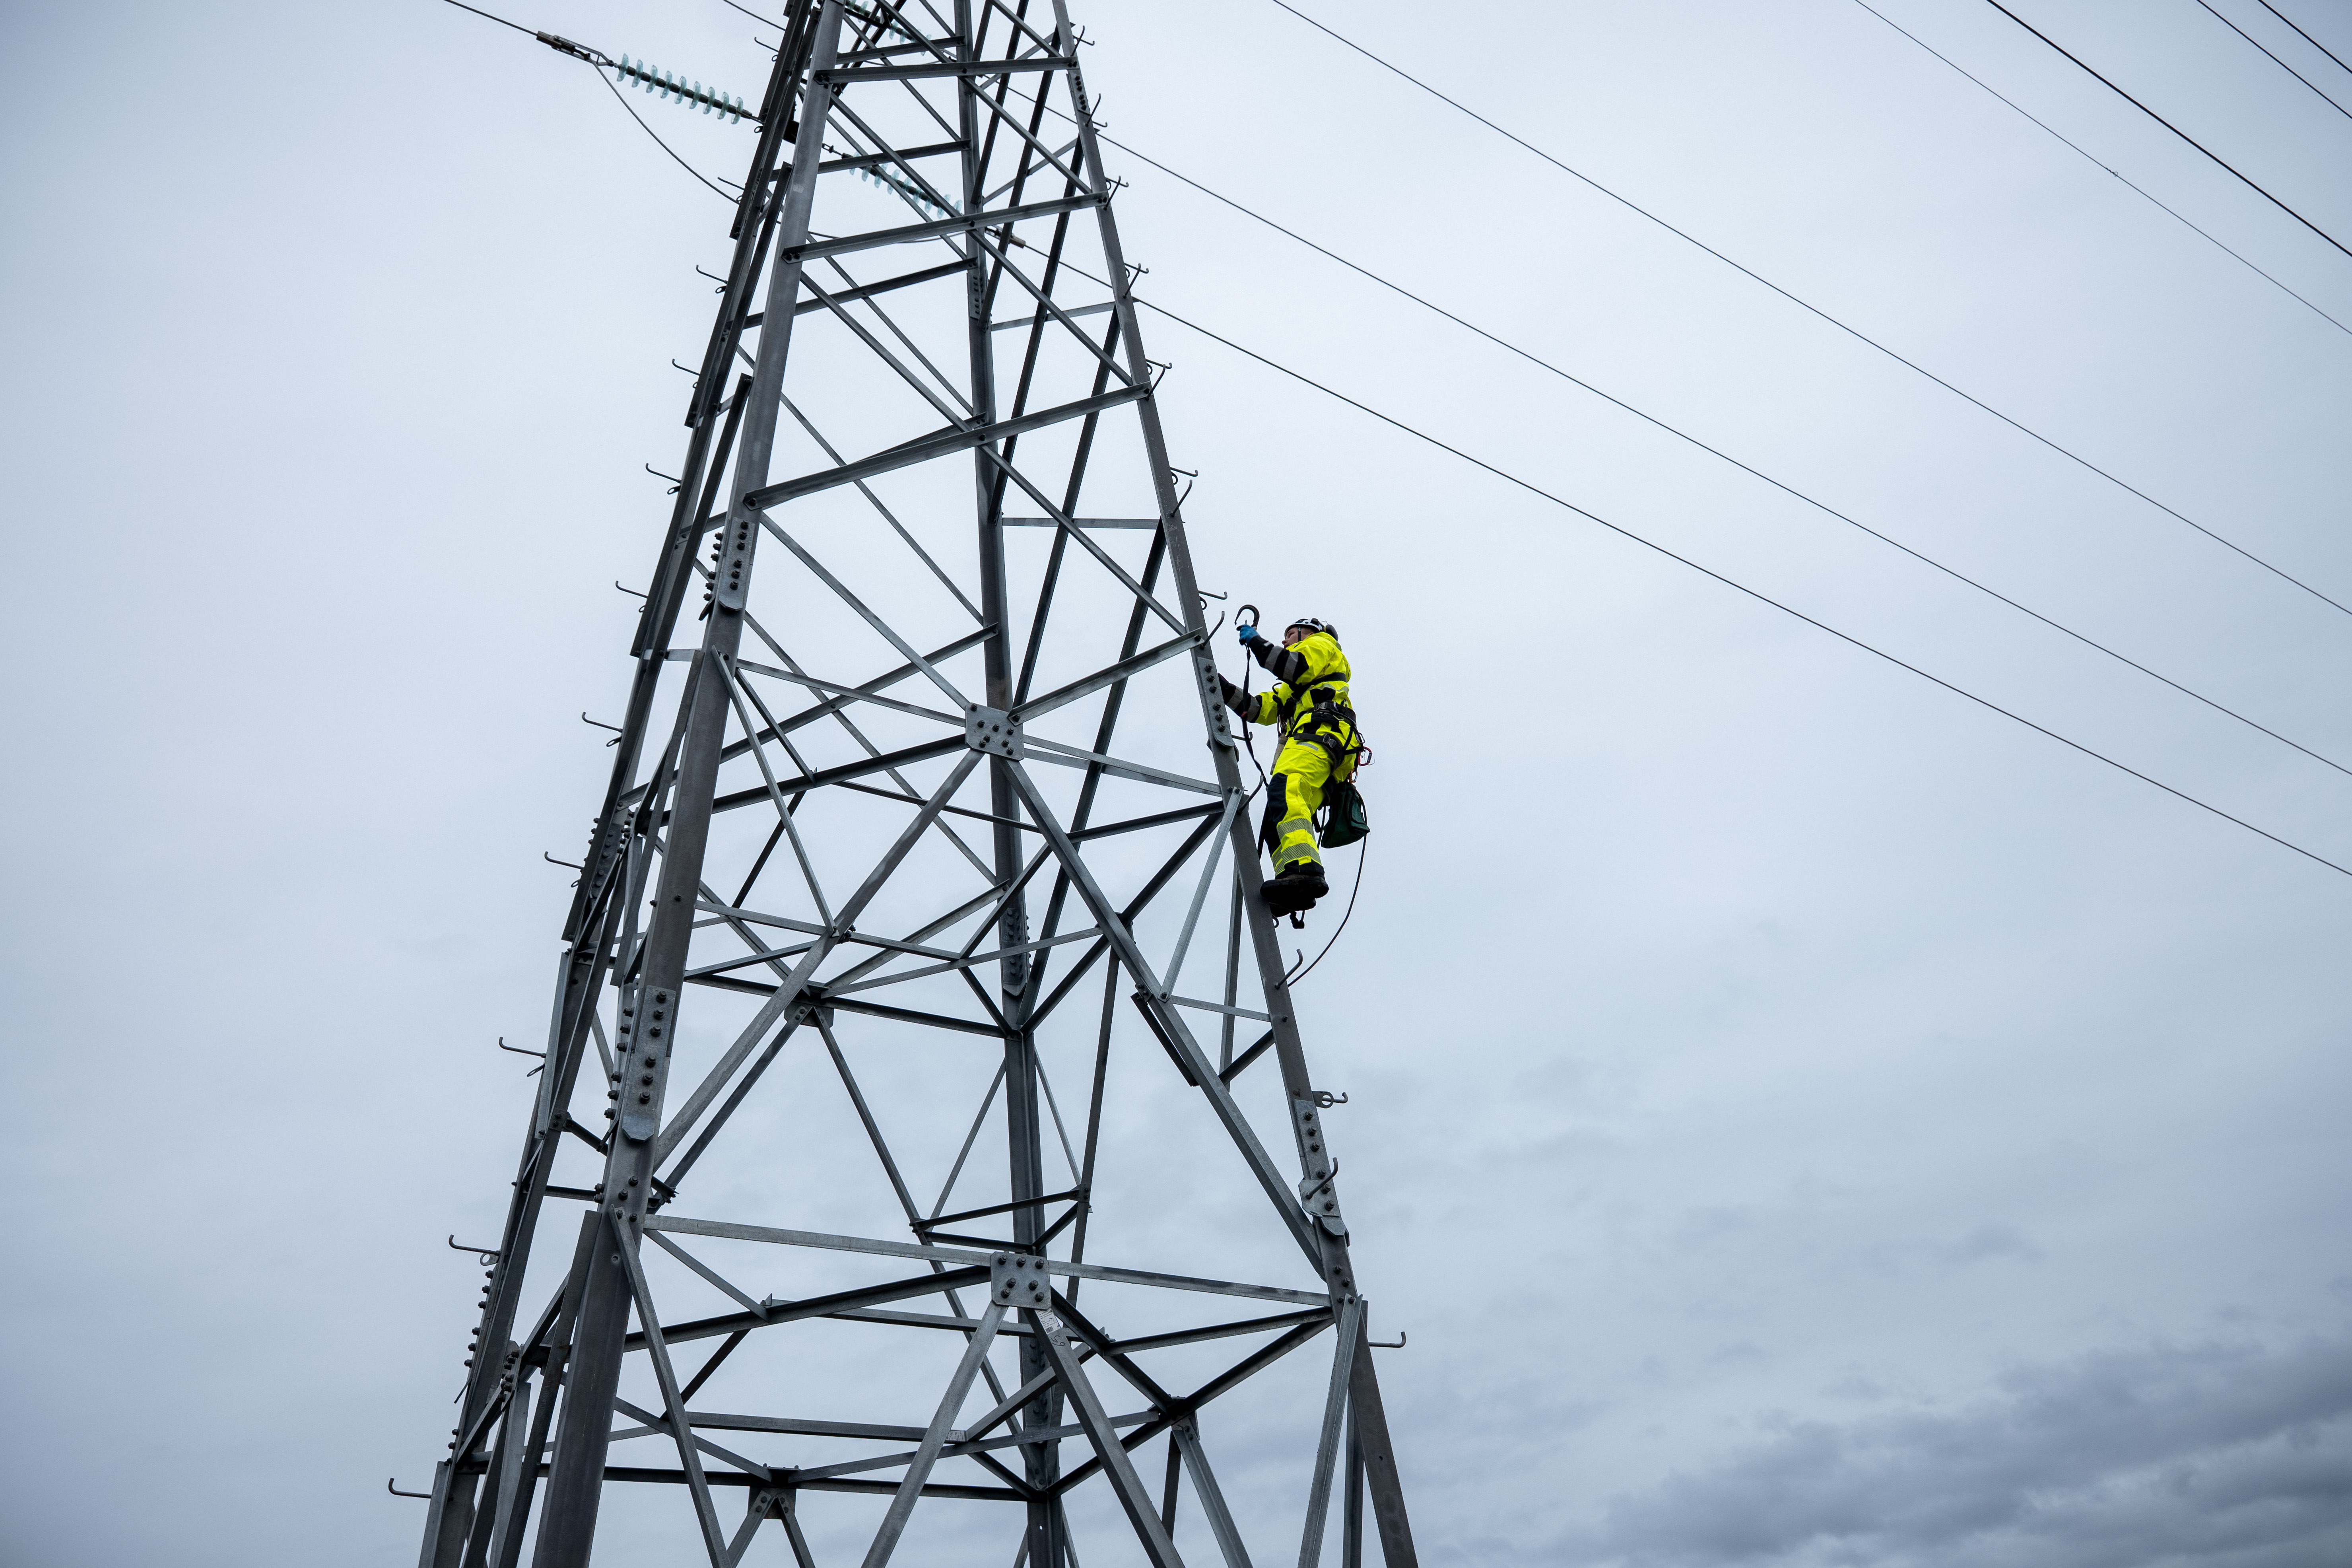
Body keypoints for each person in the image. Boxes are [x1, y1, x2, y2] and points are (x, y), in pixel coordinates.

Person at [1219, 616, 1360, 916]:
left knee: (1288, 788)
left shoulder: (1321, 645)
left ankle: (1305, 870)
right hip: (1321, 747)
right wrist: (1220, 686)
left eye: (1289, 635)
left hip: (1321, 737)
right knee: (1276, 814)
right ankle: (1292, 881)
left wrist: (1256, 642)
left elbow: (1290, 664)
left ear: (1309, 633)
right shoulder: (1294, 689)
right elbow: (1257, 709)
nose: (1284, 641)